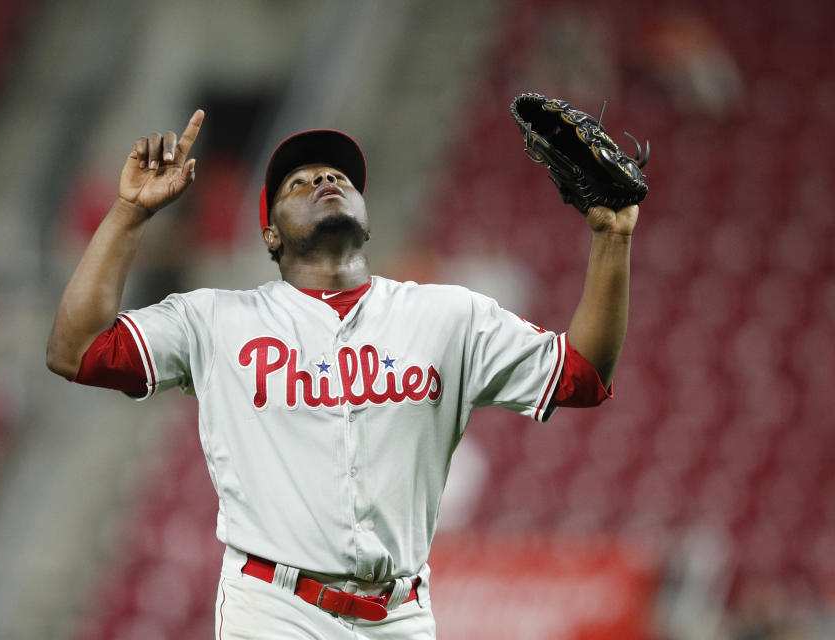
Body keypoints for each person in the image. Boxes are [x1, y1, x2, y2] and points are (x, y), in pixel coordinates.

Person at [46, 110, 638, 638]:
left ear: (366, 217)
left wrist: (611, 239)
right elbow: (76, 351)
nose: (323, 181)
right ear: (270, 235)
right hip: (275, 608)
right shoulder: (216, 319)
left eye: (339, 177)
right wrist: (128, 214)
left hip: (401, 614)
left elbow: (582, 375)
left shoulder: (447, 315)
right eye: (299, 182)